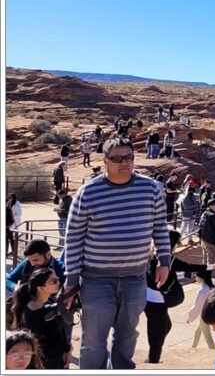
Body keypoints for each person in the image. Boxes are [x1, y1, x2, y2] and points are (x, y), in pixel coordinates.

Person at [62, 136, 171, 370]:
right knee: (93, 340)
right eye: (117, 158)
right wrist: (72, 278)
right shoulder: (88, 193)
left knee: (127, 335)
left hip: (135, 277)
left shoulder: (151, 188)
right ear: (105, 161)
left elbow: (160, 226)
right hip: (96, 278)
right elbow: (73, 237)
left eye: (129, 157)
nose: (124, 163)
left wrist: (164, 260)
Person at [144, 230, 215, 363]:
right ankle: (152, 361)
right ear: (172, 243)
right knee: (157, 336)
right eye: (177, 243)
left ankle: (153, 353)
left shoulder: (151, 256)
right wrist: (212, 266)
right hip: (156, 301)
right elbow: (189, 267)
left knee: (166, 326)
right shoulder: (168, 259)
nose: (178, 245)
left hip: (150, 299)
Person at [10, 268, 71, 368]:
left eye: (58, 279)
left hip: (58, 358)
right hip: (46, 363)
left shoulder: (48, 302)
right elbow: (40, 345)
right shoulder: (32, 312)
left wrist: (66, 350)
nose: (58, 283)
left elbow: (60, 330)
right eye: (54, 281)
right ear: (40, 288)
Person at [187, 270, 215, 350]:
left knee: (207, 336)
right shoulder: (211, 287)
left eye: (197, 276)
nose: (195, 277)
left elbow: (198, 306)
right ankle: (193, 347)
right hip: (208, 314)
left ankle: (212, 351)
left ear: (202, 278)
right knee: (198, 331)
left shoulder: (203, 291)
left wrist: (190, 317)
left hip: (204, 315)